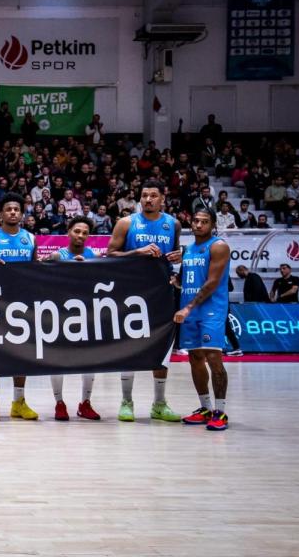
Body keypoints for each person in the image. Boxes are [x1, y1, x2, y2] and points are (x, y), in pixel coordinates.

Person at [107, 179, 182, 423]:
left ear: (163, 198)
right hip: (130, 294)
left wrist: (178, 261)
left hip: (162, 294)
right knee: (129, 346)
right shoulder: (126, 223)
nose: (148, 199)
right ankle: (126, 401)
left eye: (153, 195)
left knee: (162, 349)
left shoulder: (173, 224)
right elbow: (110, 254)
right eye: (144, 195)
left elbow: (177, 257)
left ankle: (159, 404)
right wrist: (136, 252)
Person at [0, 193, 39, 421]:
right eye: (8, 209)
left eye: (17, 209)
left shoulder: (30, 239)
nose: (13, 212)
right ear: (0, 214)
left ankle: (19, 402)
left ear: (22, 214)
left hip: (22, 304)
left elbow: (35, 271)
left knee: (22, 355)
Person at [41, 216, 101, 421]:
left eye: (85, 233)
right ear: (68, 232)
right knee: (58, 360)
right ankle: (59, 403)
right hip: (61, 315)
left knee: (90, 361)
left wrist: (90, 267)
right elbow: (36, 271)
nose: (81, 236)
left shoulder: (94, 255)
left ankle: (85, 403)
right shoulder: (58, 255)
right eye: (77, 231)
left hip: (86, 315)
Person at [175, 209, 231, 431]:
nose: (198, 225)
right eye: (196, 221)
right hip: (190, 309)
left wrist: (188, 307)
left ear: (213, 225)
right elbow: (182, 281)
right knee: (195, 357)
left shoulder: (218, 246)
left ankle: (221, 411)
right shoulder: (188, 249)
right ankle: (205, 408)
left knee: (213, 357)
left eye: (204, 222)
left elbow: (212, 282)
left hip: (210, 309)